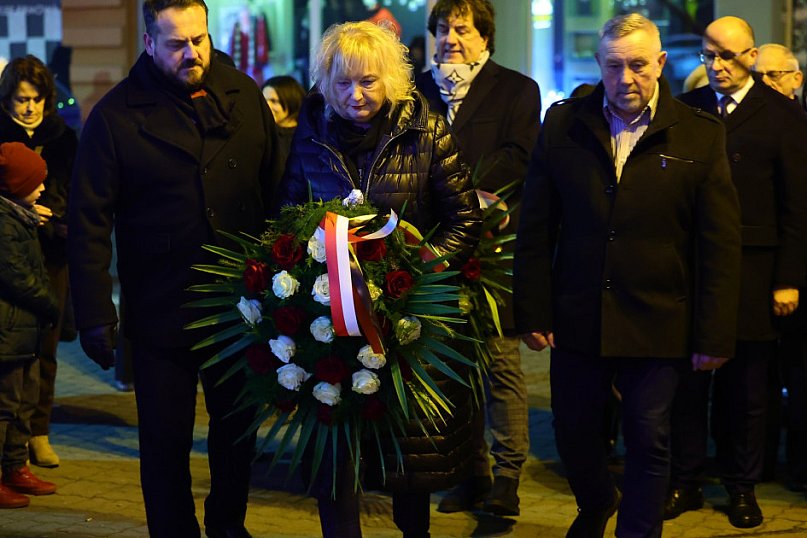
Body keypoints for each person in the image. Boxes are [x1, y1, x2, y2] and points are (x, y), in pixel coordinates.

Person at [514, 13, 742, 538]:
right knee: (573, 432)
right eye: (614, 66)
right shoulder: (563, 125)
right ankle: (597, 501)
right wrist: (532, 309)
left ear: (660, 64)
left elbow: (719, 244)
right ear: (598, 64)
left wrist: (713, 334)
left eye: (638, 65)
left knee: (648, 436)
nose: (626, 78)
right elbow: (536, 228)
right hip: (579, 313)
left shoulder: (700, 134)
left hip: (660, 315)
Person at [68, 0, 284, 536]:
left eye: (199, 39)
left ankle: (228, 526)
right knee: (164, 442)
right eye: (176, 44)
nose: (192, 53)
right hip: (162, 306)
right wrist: (94, 315)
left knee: (236, 435)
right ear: (149, 43)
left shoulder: (243, 94)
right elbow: (88, 221)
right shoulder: (116, 115)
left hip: (240, 306)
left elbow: (277, 188)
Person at [277, 20, 481, 537]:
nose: (356, 95)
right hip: (331, 323)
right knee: (337, 456)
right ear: (326, 82)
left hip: (407, 322)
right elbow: (288, 216)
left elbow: (464, 220)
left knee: (407, 459)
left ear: (389, 78)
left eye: (368, 81)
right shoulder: (310, 134)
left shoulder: (426, 129)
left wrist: (416, 273)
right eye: (343, 82)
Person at [670, 17, 807, 529]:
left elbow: (797, 205)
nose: (717, 65)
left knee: (747, 388)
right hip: (694, 266)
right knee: (687, 384)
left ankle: (742, 486)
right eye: (708, 55)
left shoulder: (782, 114)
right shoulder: (686, 108)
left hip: (755, 267)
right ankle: (685, 480)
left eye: (727, 55)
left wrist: (788, 277)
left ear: (750, 55)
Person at [415, 0, 541, 516]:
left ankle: (508, 476)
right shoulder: (415, 90)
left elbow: (519, 157)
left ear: (484, 36)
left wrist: (451, 186)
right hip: (433, 246)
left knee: (499, 364)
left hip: (493, 248)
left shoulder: (516, 89)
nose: (451, 39)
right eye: (443, 29)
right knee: (449, 366)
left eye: (462, 29)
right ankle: (471, 472)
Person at [0, 55, 78, 469]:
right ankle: (11, 444)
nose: (29, 107)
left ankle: (38, 431)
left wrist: (58, 216)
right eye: (21, 99)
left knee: (46, 347)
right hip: (8, 256)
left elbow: (75, 188)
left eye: (36, 99)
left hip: (51, 254)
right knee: (10, 349)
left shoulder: (63, 138)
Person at [0, 142, 60, 508]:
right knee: (5, 405)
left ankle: (14, 466)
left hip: (25, 332)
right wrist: (51, 304)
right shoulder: (5, 224)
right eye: (35, 182)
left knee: (24, 402)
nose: (42, 188)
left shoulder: (20, 217)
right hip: (8, 332)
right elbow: (18, 277)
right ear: (16, 185)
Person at [261, 75, 305, 156]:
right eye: (264, 101)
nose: (267, 106)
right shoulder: (264, 135)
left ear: (291, 101)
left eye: (274, 101)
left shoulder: (308, 137)